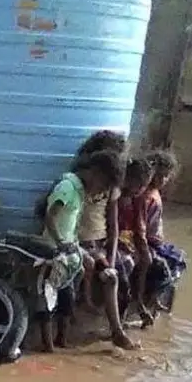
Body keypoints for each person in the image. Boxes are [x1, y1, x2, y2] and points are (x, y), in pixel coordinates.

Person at [40, 150, 134, 349]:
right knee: (50, 298)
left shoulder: (79, 191)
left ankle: (61, 341)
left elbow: (71, 226)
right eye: (102, 186)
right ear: (96, 174)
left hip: (69, 251)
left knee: (67, 296)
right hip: (55, 251)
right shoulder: (68, 187)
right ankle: (48, 346)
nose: (100, 192)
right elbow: (50, 216)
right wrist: (60, 243)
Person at [76, 131, 128, 309]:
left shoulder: (111, 187)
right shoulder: (77, 182)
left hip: (99, 243)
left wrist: (111, 260)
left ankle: (116, 327)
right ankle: (114, 327)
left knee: (115, 272)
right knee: (103, 271)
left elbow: (113, 227)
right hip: (80, 243)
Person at [142, 150, 187, 312]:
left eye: (166, 176)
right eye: (159, 176)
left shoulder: (153, 194)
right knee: (174, 261)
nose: (163, 180)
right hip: (148, 241)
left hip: (153, 240)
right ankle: (154, 298)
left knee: (178, 257)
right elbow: (145, 227)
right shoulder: (147, 197)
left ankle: (163, 306)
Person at [117, 158, 155, 328]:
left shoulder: (139, 199)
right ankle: (118, 318)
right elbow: (110, 226)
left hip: (128, 238)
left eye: (143, 186)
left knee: (147, 260)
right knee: (126, 264)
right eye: (137, 184)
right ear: (127, 178)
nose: (139, 189)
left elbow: (140, 228)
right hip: (112, 238)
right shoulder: (115, 195)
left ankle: (139, 301)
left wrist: (143, 249)